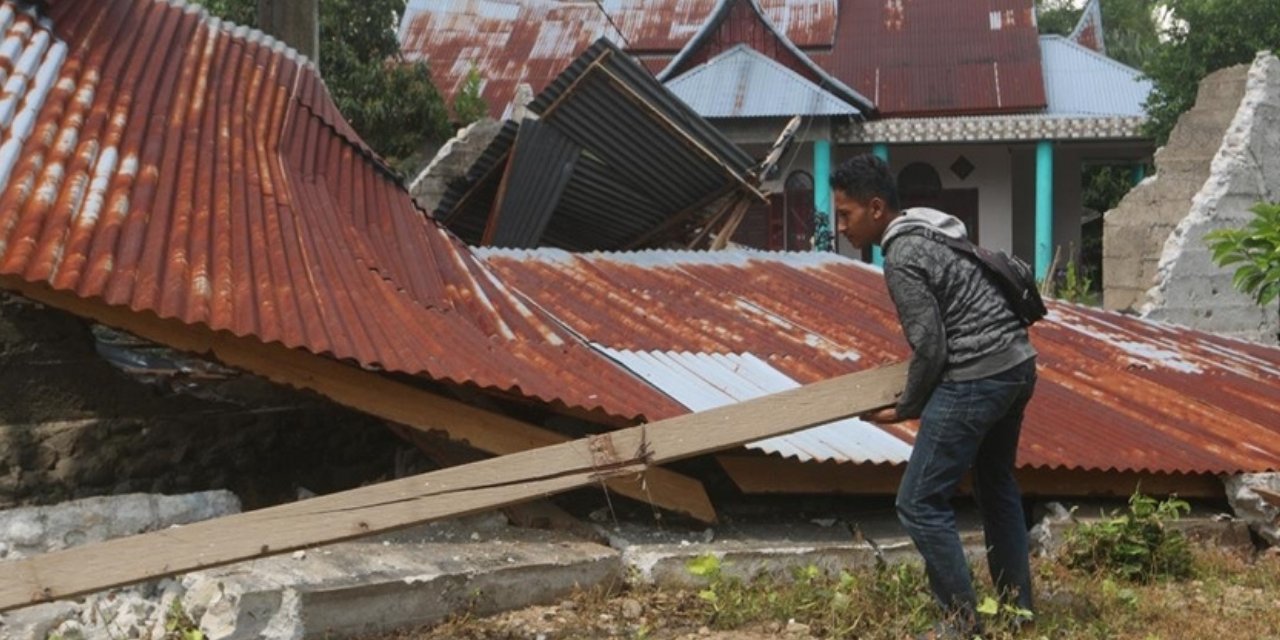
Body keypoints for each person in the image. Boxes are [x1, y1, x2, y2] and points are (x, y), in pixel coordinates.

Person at [830, 154, 1038, 638]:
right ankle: (1018, 614)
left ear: (876, 208)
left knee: (919, 502)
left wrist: (905, 407)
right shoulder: (931, 230)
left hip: (978, 374)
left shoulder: (900, 255)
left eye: (847, 214)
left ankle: (960, 624)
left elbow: (931, 346)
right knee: (996, 486)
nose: (841, 227)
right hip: (1017, 364)